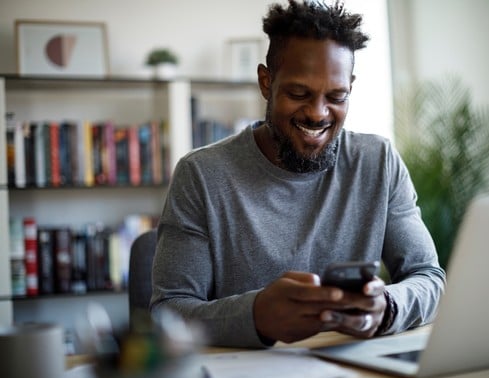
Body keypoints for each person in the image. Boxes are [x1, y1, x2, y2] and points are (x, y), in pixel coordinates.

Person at [151, 0, 446, 348]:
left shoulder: (378, 162)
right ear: (266, 82)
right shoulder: (201, 176)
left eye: (336, 96)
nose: (318, 113)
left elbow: (428, 278)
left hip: (353, 368)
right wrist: (256, 315)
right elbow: (167, 315)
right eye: (298, 93)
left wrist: (388, 308)